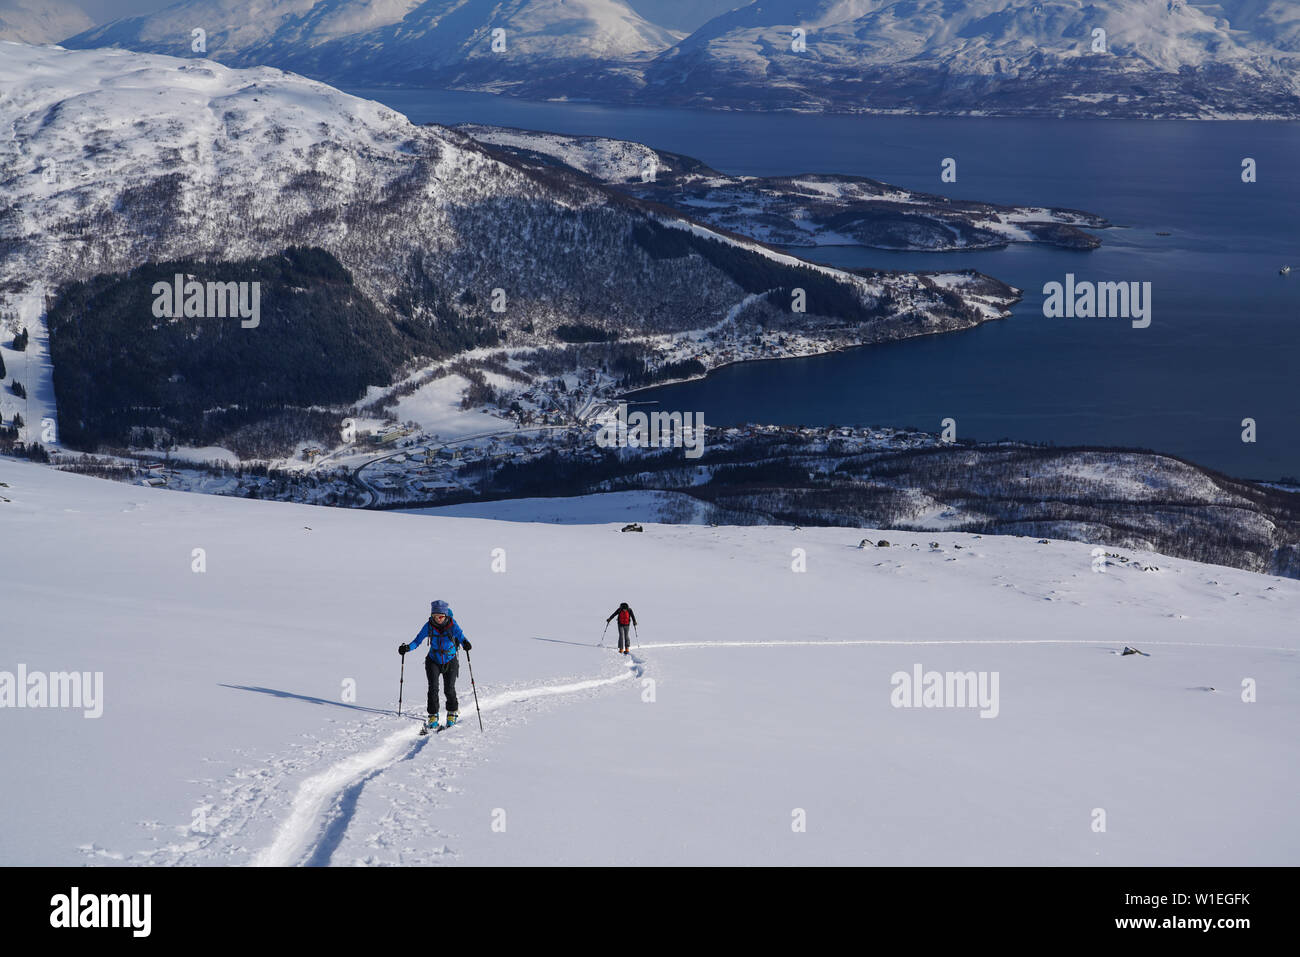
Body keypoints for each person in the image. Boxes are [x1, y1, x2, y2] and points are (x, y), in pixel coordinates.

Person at [399, 600, 471, 730]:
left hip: (450, 660)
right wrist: (407, 648)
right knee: (433, 689)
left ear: (446, 616)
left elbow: (461, 637)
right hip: (433, 660)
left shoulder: (452, 625)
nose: (438, 619)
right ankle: (433, 715)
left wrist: (466, 643)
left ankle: (452, 712)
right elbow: (417, 640)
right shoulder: (429, 626)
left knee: (449, 689)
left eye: (441, 616)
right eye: (435, 616)